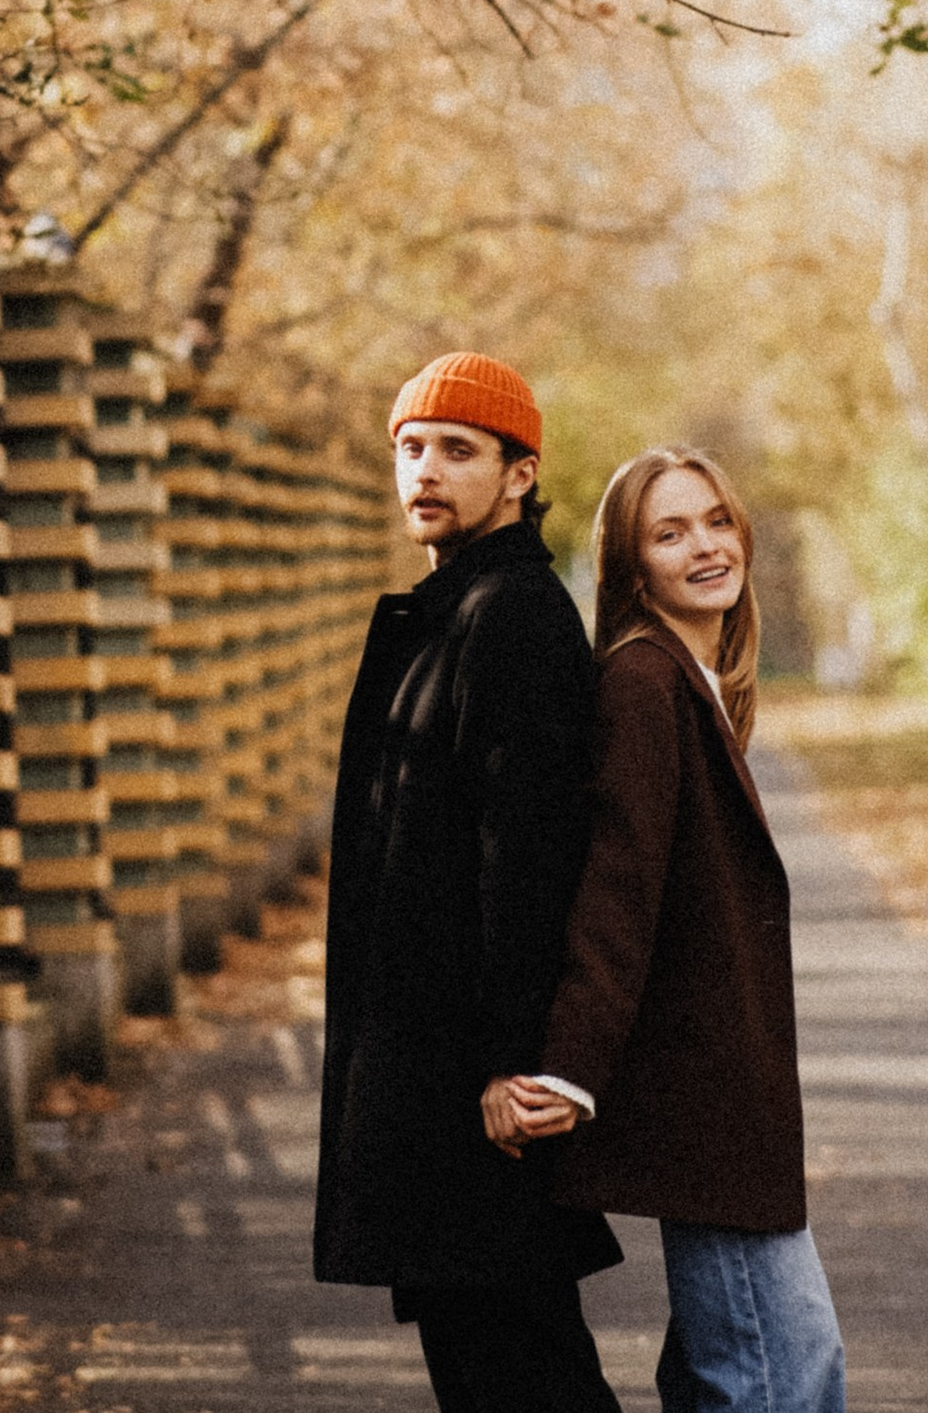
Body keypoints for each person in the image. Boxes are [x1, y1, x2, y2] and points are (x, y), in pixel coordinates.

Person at [499, 447, 848, 1413]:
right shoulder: (644, 685)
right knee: (782, 1376)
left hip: (726, 1107)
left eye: (716, 521)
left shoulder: (687, 679)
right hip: (706, 1106)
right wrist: (572, 1067)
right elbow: (618, 887)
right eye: (670, 532)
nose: (705, 547)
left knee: (729, 1375)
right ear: (632, 564)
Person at [314, 352, 625, 1413]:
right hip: (430, 1070)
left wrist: (509, 1063)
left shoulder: (515, 619)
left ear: (519, 472)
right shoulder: (455, 608)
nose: (426, 470)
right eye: (409, 448)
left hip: (476, 1087)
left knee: (521, 1366)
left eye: (458, 449)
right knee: (489, 1355)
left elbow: (525, 858)